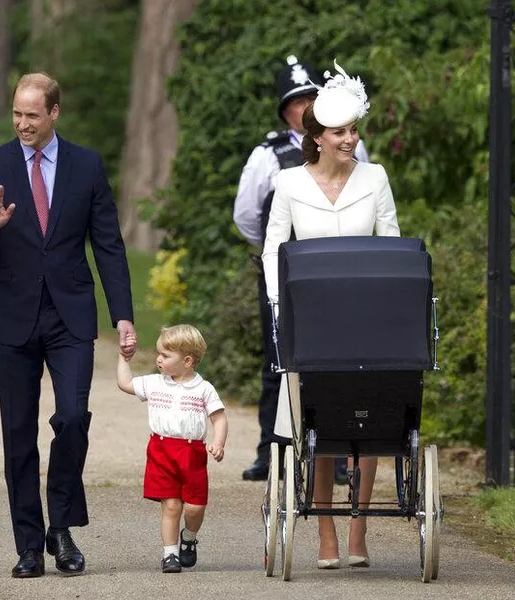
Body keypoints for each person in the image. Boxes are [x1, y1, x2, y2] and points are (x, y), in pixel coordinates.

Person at [0, 72, 137, 578]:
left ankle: (62, 525)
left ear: (54, 113)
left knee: (73, 417)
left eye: (32, 115)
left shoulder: (86, 165)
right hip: (12, 316)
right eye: (17, 113)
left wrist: (123, 315)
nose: (22, 124)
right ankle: (30, 545)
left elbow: (109, 245)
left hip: (70, 313)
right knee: (18, 434)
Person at [262, 60, 400, 568]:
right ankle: (325, 532)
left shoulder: (376, 177)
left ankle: (359, 529)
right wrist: (282, 305)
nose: (351, 139)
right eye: (340, 132)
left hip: (367, 320)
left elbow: (392, 244)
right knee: (317, 428)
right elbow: (275, 247)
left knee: (367, 425)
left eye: (354, 130)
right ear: (316, 136)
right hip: (312, 320)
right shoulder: (289, 183)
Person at [234, 55, 367, 483]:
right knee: (279, 359)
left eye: (313, 97)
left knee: (342, 361)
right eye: (298, 101)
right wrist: (275, 254)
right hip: (286, 270)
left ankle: (340, 452)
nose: (306, 106)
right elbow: (247, 214)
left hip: (341, 269)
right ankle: (272, 450)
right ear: (286, 109)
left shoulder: (350, 144)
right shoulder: (268, 154)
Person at [116, 325, 228, 573]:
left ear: (187, 361)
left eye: (166, 356)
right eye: (159, 353)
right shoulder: (155, 383)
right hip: (161, 450)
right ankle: (170, 554)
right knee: (171, 505)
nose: (159, 359)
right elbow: (124, 383)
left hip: (192, 453)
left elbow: (219, 418)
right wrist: (124, 358)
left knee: (195, 507)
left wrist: (218, 443)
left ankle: (188, 537)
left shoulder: (203, 389)